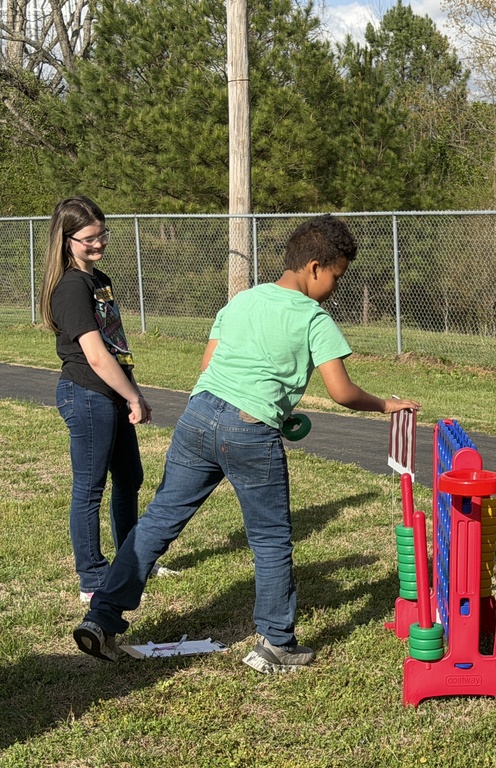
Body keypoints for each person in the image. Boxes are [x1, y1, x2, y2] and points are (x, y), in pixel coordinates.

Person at [73, 214, 421, 672]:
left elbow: (210, 363)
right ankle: (277, 644)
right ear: (315, 267)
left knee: (159, 520)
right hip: (250, 429)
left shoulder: (242, 299)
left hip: (198, 415)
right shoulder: (314, 317)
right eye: (336, 277)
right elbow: (342, 392)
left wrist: (269, 400)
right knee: (271, 537)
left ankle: (102, 618)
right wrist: (385, 406)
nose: (335, 288)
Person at [39, 196, 174, 604]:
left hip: (112, 394)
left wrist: (135, 393)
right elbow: (96, 355)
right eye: (89, 239)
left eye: (103, 235)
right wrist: (130, 394)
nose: (99, 244)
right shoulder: (70, 287)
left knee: (129, 479)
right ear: (66, 240)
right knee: (90, 487)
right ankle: (92, 577)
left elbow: (115, 346)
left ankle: (132, 559)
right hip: (86, 395)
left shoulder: (99, 280)